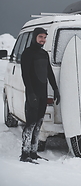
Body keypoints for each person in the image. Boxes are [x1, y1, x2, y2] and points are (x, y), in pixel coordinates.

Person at [20, 27, 60, 163]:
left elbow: (49, 73)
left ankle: (33, 151)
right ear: (35, 37)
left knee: (38, 124)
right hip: (33, 94)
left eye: (44, 37)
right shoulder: (27, 53)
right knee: (30, 124)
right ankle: (25, 153)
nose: (43, 40)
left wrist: (55, 89)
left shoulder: (44, 54)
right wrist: (30, 93)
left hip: (42, 94)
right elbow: (25, 75)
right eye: (40, 37)